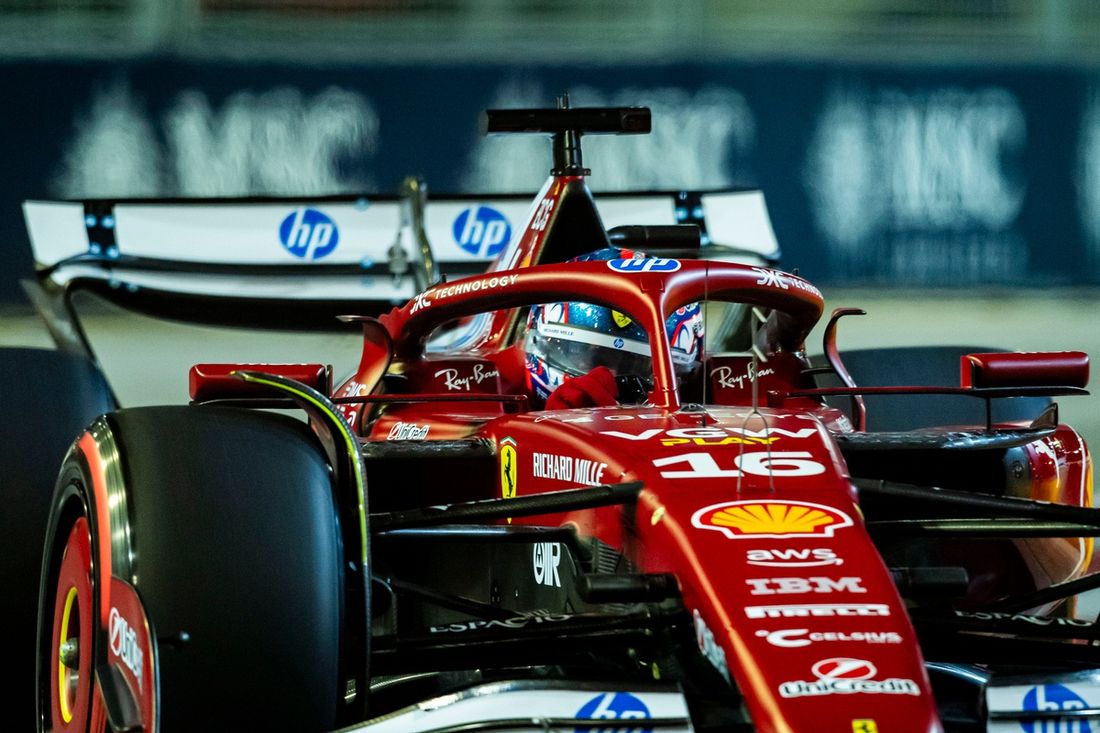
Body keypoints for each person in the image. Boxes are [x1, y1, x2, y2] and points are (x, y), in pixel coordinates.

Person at [523, 248, 704, 409]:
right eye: (594, 358)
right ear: (536, 341)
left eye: (638, 367)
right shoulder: (500, 399)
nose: (611, 379)